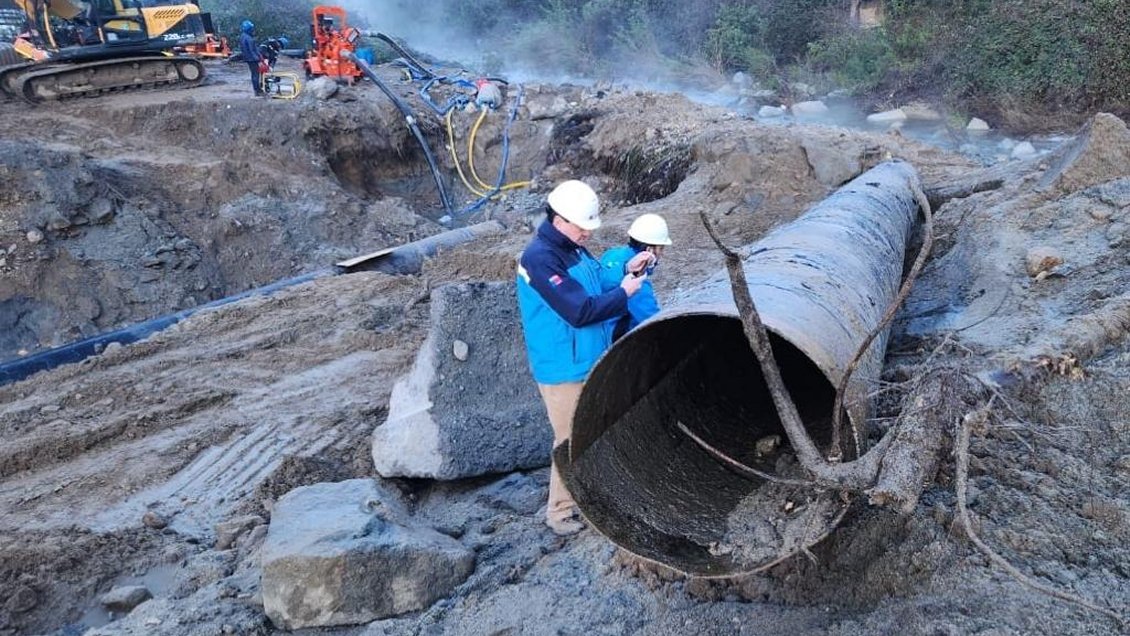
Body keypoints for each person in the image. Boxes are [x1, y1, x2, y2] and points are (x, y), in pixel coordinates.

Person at [516, 180, 654, 536]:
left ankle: (590, 498)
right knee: (570, 439)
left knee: (591, 432)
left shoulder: (575, 249)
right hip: (563, 368)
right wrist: (624, 293)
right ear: (560, 219)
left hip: (589, 358)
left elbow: (593, 288)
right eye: (582, 226)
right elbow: (578, 311)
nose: (588, 233)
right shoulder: (539, 260)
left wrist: (626, 272)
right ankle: (560, 512)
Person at [599, 213, 672, 340]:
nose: (662, 254)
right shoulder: (637, 282)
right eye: (661, 248)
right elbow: (653, 321)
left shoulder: (611, 255)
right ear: (649, 250)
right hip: (613, 341)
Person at [238, 20, 264, 97]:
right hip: (252, 59)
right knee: (255, 74)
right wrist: (258, 59)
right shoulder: (248, 38)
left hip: (248, 58)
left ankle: (257, 89)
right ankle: (257, 90)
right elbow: (252, 50)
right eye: (251, 28)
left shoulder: (243, 37)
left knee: (254, 74)